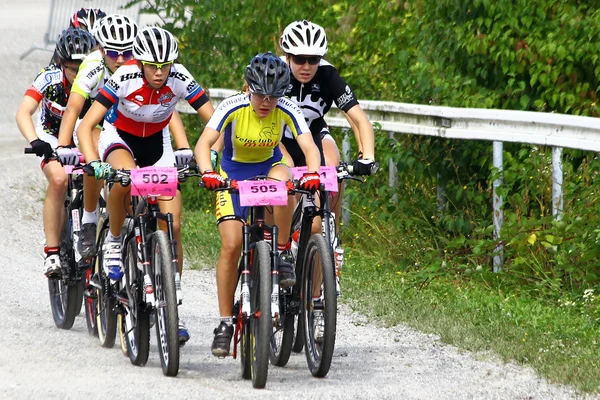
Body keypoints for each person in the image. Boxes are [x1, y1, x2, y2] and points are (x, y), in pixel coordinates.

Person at [76, 26, 215, 344]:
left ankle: (172, 305)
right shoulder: (124, 76)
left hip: (158, 143)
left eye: (164, 65)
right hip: (120, 138)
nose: (159, 72)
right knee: (124, 181)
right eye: (152, 65)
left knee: (173, 223)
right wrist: (92, 160)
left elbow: (214, 118)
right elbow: (87, 126)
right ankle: (113, 239)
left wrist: (207, 154)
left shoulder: (179, 76)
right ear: (139, 62)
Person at [194, 51, 322, 357]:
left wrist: (314, 173)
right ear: (249, 88)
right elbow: (203, 143)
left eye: (274, 96)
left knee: (285, 184)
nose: (266, 103)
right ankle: (225, 323)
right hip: (233, 175)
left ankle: (280, 255)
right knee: (231, 243)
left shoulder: (287, 108)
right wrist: (208, 172)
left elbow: (308, 146)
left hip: (269, 167)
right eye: (260, 94)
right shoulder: (232, 106)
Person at [56, 14, 139, 260]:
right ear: (102, 50)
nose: (121, 59)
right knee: (94, 149)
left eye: (127, 52)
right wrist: (63, 145)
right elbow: (73, 108)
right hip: (94, 121)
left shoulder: (140, 66)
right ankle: (90, 219)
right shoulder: (93, 66)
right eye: (113, 53)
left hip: (127, 125)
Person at [16, 27, 96, 277]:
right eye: (73, 68)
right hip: (51, 136)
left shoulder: (98, 77)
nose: (78, 74)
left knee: (101, 172)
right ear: (61, 63)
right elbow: (23, 112)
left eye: (82, 67)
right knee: (60, 179)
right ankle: (52, 251)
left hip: (83, 133)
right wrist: (35, 140)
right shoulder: (48, 77)